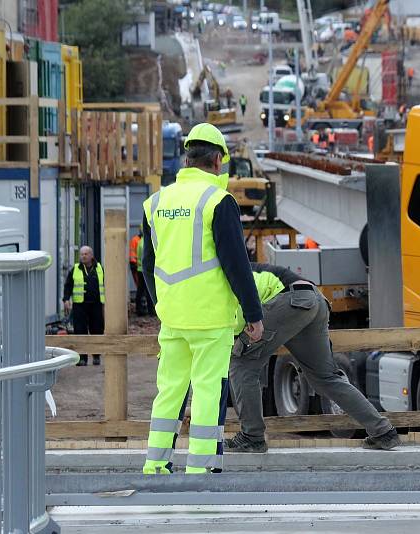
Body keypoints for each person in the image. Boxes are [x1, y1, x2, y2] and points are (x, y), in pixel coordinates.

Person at [141, 123, 263, 475]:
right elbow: (236, 264)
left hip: (173, 317)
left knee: (169, 390)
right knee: (209, 389)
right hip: (210, 319)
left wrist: (161, 303)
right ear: (215, 160)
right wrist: (253, 313)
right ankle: (200, 468)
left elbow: (147, 264)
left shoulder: (157, 202)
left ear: (187, 157)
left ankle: (155, 464)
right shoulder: (218, 202)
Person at [225, 263, 401, 452]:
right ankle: (383, 432)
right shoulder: (238, 265)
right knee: (326, 378)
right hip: (313, 299)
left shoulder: (224, 276)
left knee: (242, 364)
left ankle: (252, 437)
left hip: (289, 301)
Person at [62, 246, 105, 366]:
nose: (83, 256)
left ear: (91, 256)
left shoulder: (99, 268)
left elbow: (106, 285)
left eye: (86, 254)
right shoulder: (75, 269)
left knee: (97, 330)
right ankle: (82, 357)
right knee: (80, 331)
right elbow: (68, 285)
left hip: (96, 305)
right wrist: (66, 299)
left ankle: (96, 355)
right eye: (81, 254)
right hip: (80, 305)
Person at [135, 235, 155, 317]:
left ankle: (139, 309)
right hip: (145, 270)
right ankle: (150, 310)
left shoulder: (140, 242)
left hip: (140, 269)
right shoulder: (146, 242)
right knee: (148, 291)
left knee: (140, 290)